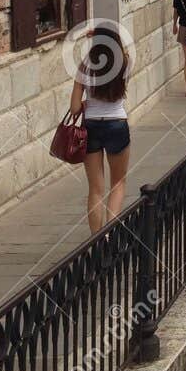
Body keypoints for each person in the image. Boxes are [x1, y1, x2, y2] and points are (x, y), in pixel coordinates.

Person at [69, 21, 131, 233]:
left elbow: (75, 108)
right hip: (117, 124)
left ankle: (97, 242)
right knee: (118, 183)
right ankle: (111, 237)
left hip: (92, 127)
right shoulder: (125, 62)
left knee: (95, 189)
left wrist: (87, 103)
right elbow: (121, 50)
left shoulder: (84, 67)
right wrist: (104, 35)